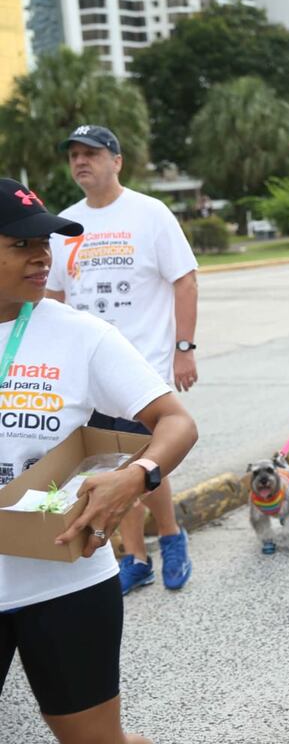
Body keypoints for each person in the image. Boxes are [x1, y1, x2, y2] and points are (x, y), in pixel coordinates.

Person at [0, 179, 198, 744]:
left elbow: (177, 422)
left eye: (46, 243)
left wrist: (135, 476)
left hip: (64, 583)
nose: (43, 257)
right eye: (21, 244)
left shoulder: (79, 335)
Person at [46, 124, 198, 596]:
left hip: (142, 363)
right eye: (73, 154)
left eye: (91, 152)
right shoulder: (66, 224)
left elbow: (185, 280)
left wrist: (184, 348)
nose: (80, 161)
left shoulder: (149, 213)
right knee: (102, 467)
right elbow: (52, 296)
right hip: (82, 371)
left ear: (117, 160)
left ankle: (169, 537)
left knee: (141, 459)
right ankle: (135, 556)